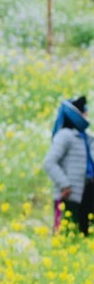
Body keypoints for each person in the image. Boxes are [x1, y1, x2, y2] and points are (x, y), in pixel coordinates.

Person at [44, 96, 93, 236]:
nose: (87, 115)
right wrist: (65, 184)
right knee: (67, 233)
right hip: (70, 194)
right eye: (84, 112)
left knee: (87, 233)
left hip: (88, 192)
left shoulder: (88, 137)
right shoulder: (64, 136)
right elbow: (49, 162)